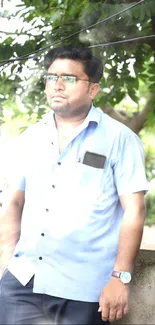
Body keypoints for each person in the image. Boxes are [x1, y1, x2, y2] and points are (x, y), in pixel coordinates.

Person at [0, 45, 148, 325]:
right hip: (23, 284)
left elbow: (134, 211)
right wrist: (5, 266)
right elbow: (14, 202)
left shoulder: (120, 139)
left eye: (68, 78)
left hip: (85, 290)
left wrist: (120, 278)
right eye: (51, 76)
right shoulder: (31, 138)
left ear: (93, 89)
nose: (57, 85)